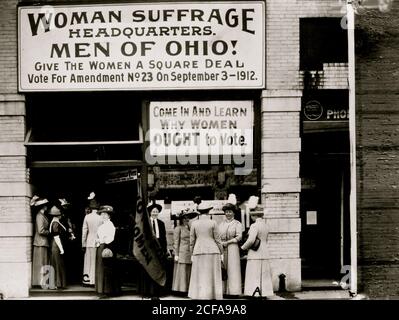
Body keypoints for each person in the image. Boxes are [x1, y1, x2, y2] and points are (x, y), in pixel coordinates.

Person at [188, 203, 223, 300]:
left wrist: (192, 253)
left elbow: (192, 241)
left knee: (200, 274)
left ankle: (200, 295)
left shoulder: (194, 223)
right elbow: (218, 239)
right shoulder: (213, 222)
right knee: (212, 274)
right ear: (209, 211)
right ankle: (213, 295)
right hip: (213, 250)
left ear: (199, 212)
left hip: (198, 250)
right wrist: (221, 252)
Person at [241, 210, 274, 298]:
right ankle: (264, 293)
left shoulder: (254, 226)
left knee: (254, 273)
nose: (251, 218)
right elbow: (266, 240)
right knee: (264, 274)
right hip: (264, 251)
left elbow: (251, 240)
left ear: (254, 216)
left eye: (252, 216)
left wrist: (243, 248)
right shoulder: (266, 226)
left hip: (255, 253)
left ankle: (254, 293)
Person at [138, 200, 168, 299]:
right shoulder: (146, 224)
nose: (155, 213)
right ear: (150, 212)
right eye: (153, 211)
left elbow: (164, 238)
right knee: (149, 269)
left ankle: (157, 292)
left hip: (158, 250)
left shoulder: (161, 223)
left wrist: (164, 250)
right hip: (149, 249)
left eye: (156, 211)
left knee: (158, 270)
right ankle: (147, 292)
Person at [95, 205, 120, 298]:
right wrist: (98, 240)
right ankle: (102, 290)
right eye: (102, 214)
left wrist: (102, 242)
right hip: (100, 247)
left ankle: (106, 291)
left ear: (109, 216)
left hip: (106, 247)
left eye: (106, 214)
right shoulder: (102, 225)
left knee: (105, 269)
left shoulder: (110, 225)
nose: (104, 216)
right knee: (101, 269)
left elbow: (110, 238)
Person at [218, 202, 243, 296]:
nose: (228, 214)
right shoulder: (221, 224)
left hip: (233, 247)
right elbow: (217, 236)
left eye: (230, 212)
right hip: (222, 247)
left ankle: (233, 291)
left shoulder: (237, 224)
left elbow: (239, 237)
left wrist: (227, 242)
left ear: (234, 213)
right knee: (223, 268)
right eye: (226, 212)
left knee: (233, 268)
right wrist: (220, 243)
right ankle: (223, 291)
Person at [172, 209, 197, 294]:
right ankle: (181, 290)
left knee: (189, 271)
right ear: (181, 219)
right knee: (182, 271)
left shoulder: (191, 228)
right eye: (185, 218)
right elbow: (176, 241)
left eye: (188, 218)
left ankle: (188, 289)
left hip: (190, 252)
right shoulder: (178, 228)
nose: (187, 220)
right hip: (182, 252)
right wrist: (176, 254)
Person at [81, 196, 102, 286]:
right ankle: (94, 280)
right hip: (97, 241)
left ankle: (87, 280)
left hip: (89, 241)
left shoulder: (87, 217)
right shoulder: (100, 218)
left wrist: (83, 243)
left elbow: (84, 231)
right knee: (95, 261)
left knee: (88, 260)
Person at [31, 196, 50, 288]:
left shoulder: (42, 215)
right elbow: (40, 230)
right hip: (40, 242)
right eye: (45, 205)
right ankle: (39, 282)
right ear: (43, 206)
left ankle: (42, 282)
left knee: (43, 262)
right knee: (41, 263)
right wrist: (49, 232)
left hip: (42, 242)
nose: (47, 206)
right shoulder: (39, 216)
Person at [48, 205, 68, 289]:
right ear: (57, 215)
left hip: (55, 245)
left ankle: (56, 283)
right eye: (60, 214)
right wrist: (61, 249)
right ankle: (57, 284)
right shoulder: (55, 223)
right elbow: (56, 237)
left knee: (56, 264)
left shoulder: (54, 222)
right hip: (56, 245)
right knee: (57, 264)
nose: (61, 215)